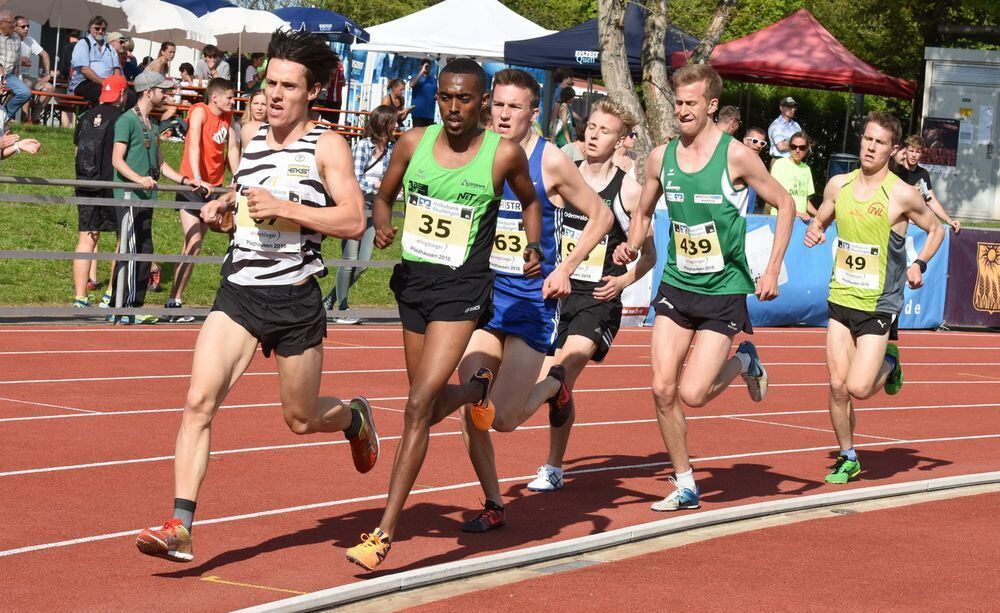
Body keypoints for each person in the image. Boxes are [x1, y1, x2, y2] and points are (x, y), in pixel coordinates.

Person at [135, 29, 377, 563]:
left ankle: (354, 418)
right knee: (198, 402)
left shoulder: (329, 145)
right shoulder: (249, 136)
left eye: (287, 86)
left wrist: (286, 209)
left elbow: (354, 219)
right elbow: (250, 204)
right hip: (239, 291)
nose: (273, 94)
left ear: (311, 93)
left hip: (294, 300)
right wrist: (226, 210)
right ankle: (180, 525)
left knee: (300, 419)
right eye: (269, 82)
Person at [345, 58, 546, 571]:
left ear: (483, 103)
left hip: (463, 289)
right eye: (446, 97)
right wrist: (384, 225)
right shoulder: (412, 144)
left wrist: (533, 243)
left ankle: (384, 532)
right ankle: (475, 390)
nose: (454, 108)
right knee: (427, 407)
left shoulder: (503, 155)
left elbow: (529, 201)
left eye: (464, 99)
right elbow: (384, 197)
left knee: (416, 407)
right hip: (414, 286)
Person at [615, 64, 796, 511]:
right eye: (677, 102)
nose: (681, 110)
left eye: (690, 103)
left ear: (711, 106)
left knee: (693, 394)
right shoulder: (661, 156)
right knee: (662, 388)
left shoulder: (736, 156)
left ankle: (744, 361)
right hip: (677, 283)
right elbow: (643, 209)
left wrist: (771, 269)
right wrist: (633, 243)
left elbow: (786, 203)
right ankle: (685, 483)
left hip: (723, 289)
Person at [451, 69, 612, 532]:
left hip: (530, 303)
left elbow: (600, 216)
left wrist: (563, 268)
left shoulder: (552, 161)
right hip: (481, 298)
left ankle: (552, 386)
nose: (503, 115)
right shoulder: (474, 151)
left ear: (533, 113)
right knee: (473, 404)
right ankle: (494, 502)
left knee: (502, 419)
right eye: (497, 105)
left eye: (514, 107)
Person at [803, 111, 945, 485]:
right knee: (836, 385)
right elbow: (822, 219)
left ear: (893, 149)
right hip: (841, 298)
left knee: (859, 388)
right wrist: (816, 230)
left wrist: (920, 264)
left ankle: (891, 365)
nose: (870, 146)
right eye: (867, 138)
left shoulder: (902, 193)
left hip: (879, 304)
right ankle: (848, 455)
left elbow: (935, 229)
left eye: (879, 142)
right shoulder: (838, 185)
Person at [527, 100, 656, 494]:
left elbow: (650, 255)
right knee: (545, 383)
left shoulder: (629, 192)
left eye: (605, 130)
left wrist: (623, 281)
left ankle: (552, 467)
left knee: (560, 373)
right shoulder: (564, 179)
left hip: (597, 298)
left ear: (621, 140)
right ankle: (557, 460)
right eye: (592, 127)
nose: (595, 135)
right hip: (554, 295)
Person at [107, 70, 190, 325]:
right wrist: (138, 179)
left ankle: (129, 305)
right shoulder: (126, 121)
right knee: (131, 249)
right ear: (148, 91)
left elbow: (161, 164)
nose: (165, 94)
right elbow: (116, 160)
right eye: (162, 90)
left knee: (144, 248)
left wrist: (186, 181)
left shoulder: (152, 124)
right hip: (129, 195)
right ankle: (124, 307)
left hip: (146, 196)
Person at [165, 77, 240, 323]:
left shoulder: (227, 118)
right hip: (194, 187)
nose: (233, 101)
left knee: (205, 245)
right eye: (230, 97)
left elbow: (230, 150)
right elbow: (194, 142)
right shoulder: (199, 111)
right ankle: (173, 300)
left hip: (215, 189)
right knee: (193, 242)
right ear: (215, 97)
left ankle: (180, 298)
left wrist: (238, 177)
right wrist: (197, 177)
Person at [322, 105, 398, 323]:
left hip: (374, 208)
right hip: (356, 206)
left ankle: (330, 300)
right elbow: (353, 180)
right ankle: (342, 308)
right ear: (384, 123)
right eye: (393, 122)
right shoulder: (363, 147)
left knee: (363, 263)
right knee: (350, 259)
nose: (397, 126)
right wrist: (378, 185)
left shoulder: (391, 150)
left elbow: (391, 184)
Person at [72, 74, 128, 308]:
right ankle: (110, 293)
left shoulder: (84, 117)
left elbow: (76, 152)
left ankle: (80, 297)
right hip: (111, 185)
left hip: (85, 183)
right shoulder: (123, 119)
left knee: (86, 239)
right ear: (122, 94)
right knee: (120, 238)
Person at [896, 135, 960, 233]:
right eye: (911, 151)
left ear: (921, 153)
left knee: (937, 230)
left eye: (918, 152)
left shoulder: (923, 174)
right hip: (897, 221)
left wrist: (949, 220)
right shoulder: (896, 171)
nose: (914, 155)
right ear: (905, 152)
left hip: (916, 223)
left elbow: (931, 200)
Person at [67, 15, 123, 105]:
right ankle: (100, 118)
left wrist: (116, 84)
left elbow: (117, 69)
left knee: (130, 96)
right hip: (84, 82)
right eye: (97, 28)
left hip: (106, 84)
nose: (100, 31)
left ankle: (116, 117)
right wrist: (104, 82)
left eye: (103, 29)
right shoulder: (83, 44)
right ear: (90, 28)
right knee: (104, 93)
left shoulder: (110, 48)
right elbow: (84, 70)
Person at [766, 130, 816, 220]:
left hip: (800, 222)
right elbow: (774, 195)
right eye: (794, 146)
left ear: (807, 149)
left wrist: (820, 215)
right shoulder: (779, 164)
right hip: (780, 219)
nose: (797, 150)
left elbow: (805, 201)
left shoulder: (806, 169)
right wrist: (796, 213)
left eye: (802, 147)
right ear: (789, 147)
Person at [14, 15, 53, 124]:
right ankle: (25, 119)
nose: (26, 28)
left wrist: (47, 74)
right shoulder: (10, 39)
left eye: (28, 26)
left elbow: (45, 55)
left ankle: (33, 118)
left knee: (49, 88)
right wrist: (20, 61)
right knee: (27, 85)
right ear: (15, 27)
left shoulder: (29, 40)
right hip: (14, 76)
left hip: (26, 76)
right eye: (23, 26)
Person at [0, 10, 31, 121]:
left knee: (25, 92)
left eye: (14, 22)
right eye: (10, 22)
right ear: (1, 23)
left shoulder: (16, 38)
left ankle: (5, 116)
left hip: (9, 76)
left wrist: (18, 80)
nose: (13, 25)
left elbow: (17, 62)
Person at [741, 126, 768, 213]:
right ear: (745, 141)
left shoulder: (760, 167)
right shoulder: (735, 161)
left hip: (749, 218)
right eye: (755, 141)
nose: (758, 145)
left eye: (762, 143)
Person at [409, 59, 437, 127]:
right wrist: (422, 71)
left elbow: (436, 91)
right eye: (425, 66)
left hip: (429, 114)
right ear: (420, 66)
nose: (427, 68)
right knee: (418, 135)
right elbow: (411, 84)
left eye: (429, 66)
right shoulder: (417, 77)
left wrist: (437, 95)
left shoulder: (433, 79)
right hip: (418, 113)